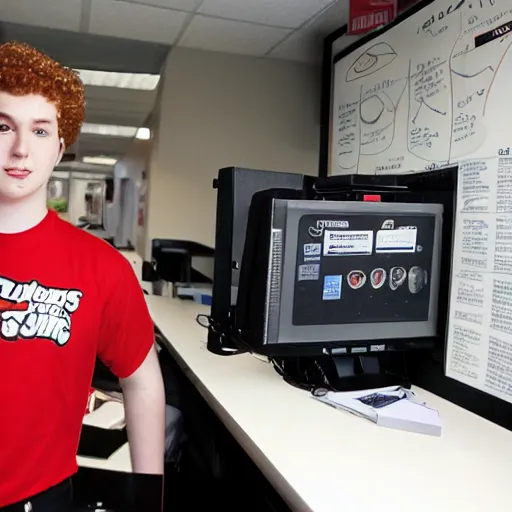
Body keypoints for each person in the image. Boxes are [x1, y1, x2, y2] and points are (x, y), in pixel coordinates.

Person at [0, 41, 166, 510]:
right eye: (4, 125)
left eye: (39, 130)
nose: (19, 148)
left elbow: (142, 379)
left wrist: (146, 497)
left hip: (40, 498)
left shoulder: (101, 268)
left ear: (59, 146)